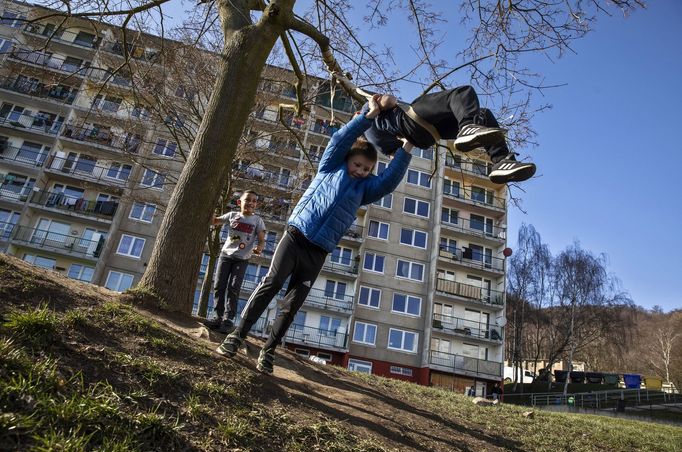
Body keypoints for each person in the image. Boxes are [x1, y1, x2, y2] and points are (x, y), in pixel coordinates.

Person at [216, 94, 412, 374]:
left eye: (367, 169)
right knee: (271, 284)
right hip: (297, 236)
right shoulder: (331, 165)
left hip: (318, 250)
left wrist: (407, 146)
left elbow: (390, 180)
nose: (360, 171)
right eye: (357, 164)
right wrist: (368, 116)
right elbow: (340, 140)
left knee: (292, 304)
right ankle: (237, 335)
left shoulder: (365, 190)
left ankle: (268, 351)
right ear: (348, 160)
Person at [362, 85, 536, 184]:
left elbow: (398, 155)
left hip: (427, 136)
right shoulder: (365, 110)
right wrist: (379, 100)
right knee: (462, 94)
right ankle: (469, 127)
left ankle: (501, 163)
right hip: (411, 118)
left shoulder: (377, 142)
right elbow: (390, 101)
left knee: (482, 115)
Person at [204, 190, 266, 334]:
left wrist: (259, 248)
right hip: (225, 256)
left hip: (242, 259)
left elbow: (262, 239)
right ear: (240, 202)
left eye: (254, 201)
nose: (250, 203)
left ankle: (228, 320)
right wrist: (211, 206)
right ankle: (217, 316)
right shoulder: (232, 215)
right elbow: (215, 221)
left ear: (256, 204)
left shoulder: (257, 221)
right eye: (247, 200)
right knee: (219, 285)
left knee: (233, 288)